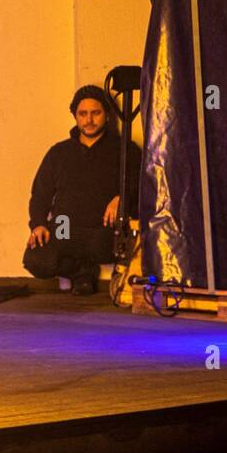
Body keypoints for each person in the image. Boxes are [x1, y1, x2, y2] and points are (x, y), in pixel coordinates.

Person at [23, 84, 141, 295]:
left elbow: (145, 185)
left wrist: (123, 198)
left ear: (106, 115)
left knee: (115, 246)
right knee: (36, 259)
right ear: (75, 116)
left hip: (103, 229)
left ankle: (91, 271)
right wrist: (38, 224)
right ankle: (81, 272)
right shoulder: (59, 152)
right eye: (83, 114)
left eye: (95, 113)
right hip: (65, 227)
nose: (89, 120)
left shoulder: (124, 149)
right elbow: (40, 193)